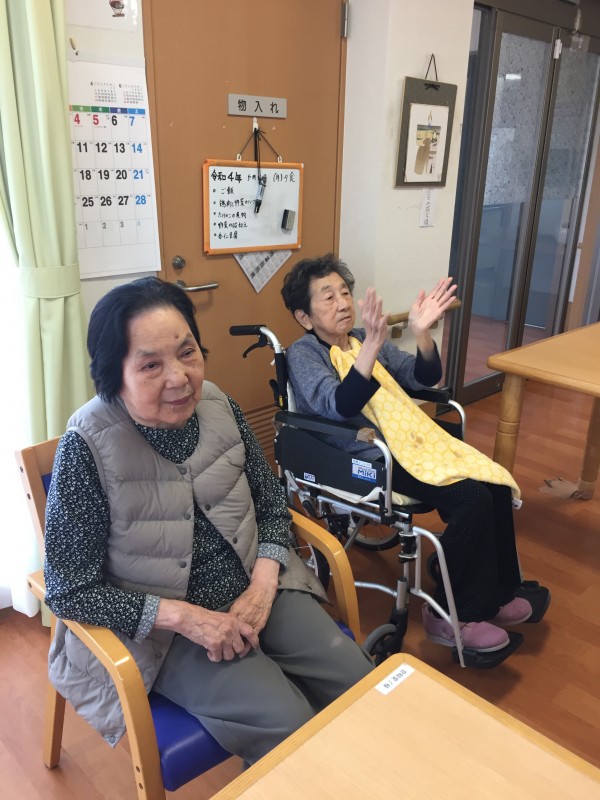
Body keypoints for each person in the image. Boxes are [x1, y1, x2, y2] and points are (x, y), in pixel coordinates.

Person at [43, 276, 373, 764]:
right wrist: (186, 618)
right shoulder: (86, 445)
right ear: (114, 374)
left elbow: (268, 497)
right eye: (150, 365)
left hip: (257, 585)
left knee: (362, 685)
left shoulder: (217, 403)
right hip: (165, 633)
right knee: (289, 727)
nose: (179, 378)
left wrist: (264, 582)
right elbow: (68, 589)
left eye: (187, 352)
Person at [281, 253, 550, 654]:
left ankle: (497, 593)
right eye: (328, 297)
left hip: (408, 441)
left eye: (344, 293)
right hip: (366, 454)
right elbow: (337, 405)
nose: (342, 303)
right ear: (304, 317)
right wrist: (372, 346)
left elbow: (422, 377)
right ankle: (451, 615)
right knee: (470, 498)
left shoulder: (361, 338)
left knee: (491, 482)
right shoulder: (305, 354)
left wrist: (422, 333)